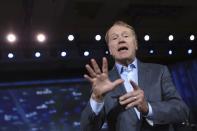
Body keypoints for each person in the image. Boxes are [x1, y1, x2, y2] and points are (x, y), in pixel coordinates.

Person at [80, 21, 189, 131]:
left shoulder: (159, 71)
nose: (121, 40)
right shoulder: (104, 82)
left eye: (126, 36)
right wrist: (97, 99)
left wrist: (148, 108)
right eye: (114, 38)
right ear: (110, 50)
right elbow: (87, 128)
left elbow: (181, 111)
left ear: (136, 44)